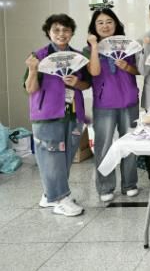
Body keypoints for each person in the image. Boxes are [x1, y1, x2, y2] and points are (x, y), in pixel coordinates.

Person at [24, 14, 91, 217]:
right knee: (51, 158)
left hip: (72, 114)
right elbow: (30, 89)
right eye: (56, 30)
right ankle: (61, 200)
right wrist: (33, 70)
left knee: (66, 158)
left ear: (71, 33)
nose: (61, 34)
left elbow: (86, 84)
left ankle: (49, 195)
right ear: (48, 32)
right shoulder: (38, 56)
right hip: (47, 115)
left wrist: (76, 83)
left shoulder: (77, 57)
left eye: (66, 30)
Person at [86, 5, 139, 203]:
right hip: (104, 104)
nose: (105, 26)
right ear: (94, 27)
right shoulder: (88, 49)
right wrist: (94, 47)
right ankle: (105, 187)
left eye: (109, 22)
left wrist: (127, 66)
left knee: (130, 143)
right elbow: (94, 72)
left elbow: (138, 71)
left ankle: (130, 184)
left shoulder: (127, 46)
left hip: (129, 101)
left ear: (116, 24)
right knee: (104, 145)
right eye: (100, 23)